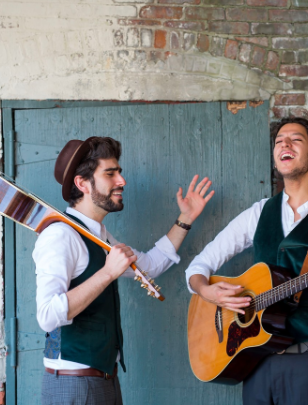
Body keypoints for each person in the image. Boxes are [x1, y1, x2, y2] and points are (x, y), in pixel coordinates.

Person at [186, 117, 308, 405]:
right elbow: (198, 267)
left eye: (295, 139)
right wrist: (207, 291)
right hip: (257, 362)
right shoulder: (259, 213)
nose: (284, 144)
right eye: (280, 140)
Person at [34, 136, 214, 405]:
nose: (122, 181)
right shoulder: (60, 236)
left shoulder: (101, 237)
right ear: (82, 184)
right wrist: (107, 273)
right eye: (110, 173)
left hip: (102, 380)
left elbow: (150, 266)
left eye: (119, 172)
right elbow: (48, 316)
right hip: (74, 384)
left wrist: (186, 218)